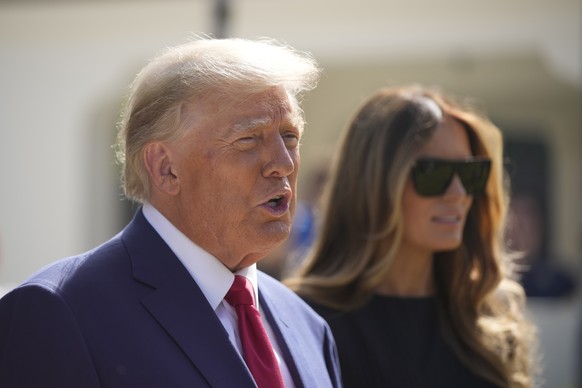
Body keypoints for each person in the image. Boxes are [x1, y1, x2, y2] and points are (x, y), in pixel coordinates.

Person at [0, 37, 341, 388]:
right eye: (249, 139)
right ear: (165, 168)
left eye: (289, 137)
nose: (282, 164)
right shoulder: (59, 311)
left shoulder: (306, 325)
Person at [285, 85, 539, 387]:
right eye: (434, 173)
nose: (458, 194)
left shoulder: (489, 320)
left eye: (471, 174)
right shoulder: (301, 320)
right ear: (374, 183)